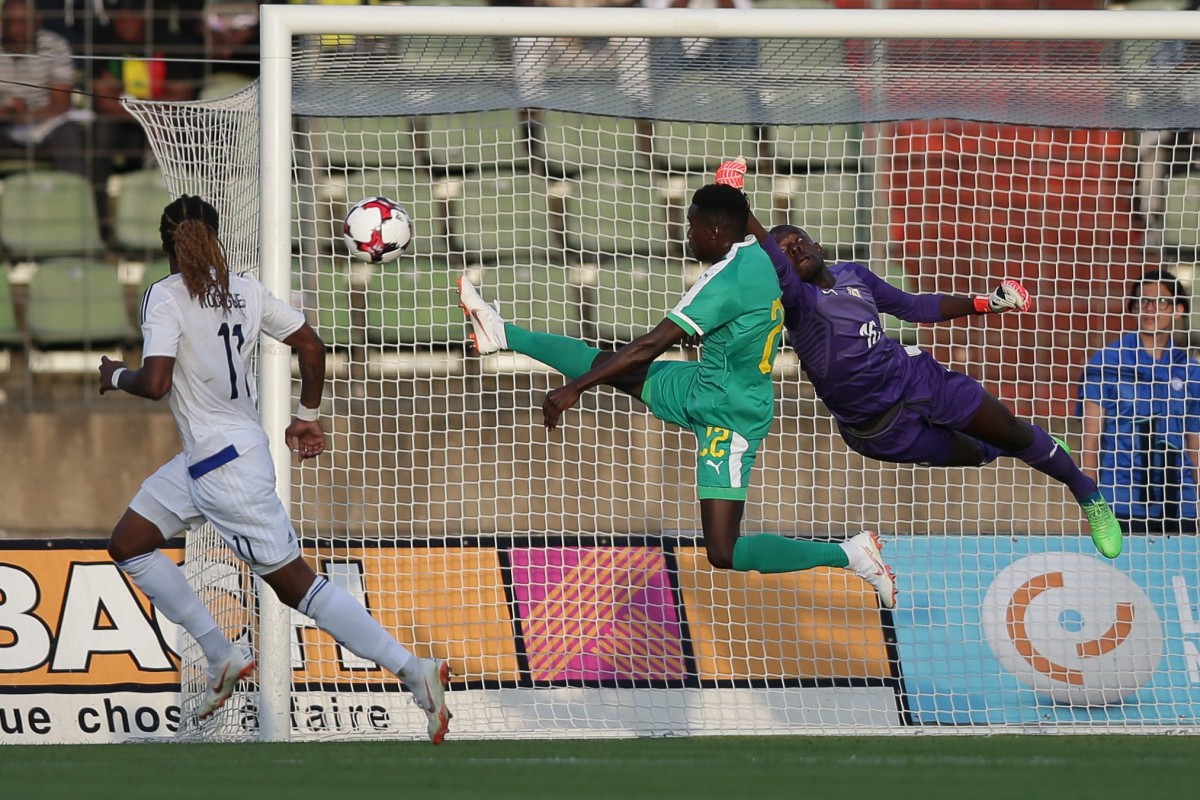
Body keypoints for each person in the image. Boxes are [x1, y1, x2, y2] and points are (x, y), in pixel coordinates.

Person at [98, 195, 452, 743]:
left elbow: (156, 383)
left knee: (297, 587)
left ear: (164, 241)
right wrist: (305, 416)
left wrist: (116, 374)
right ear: (215, 236)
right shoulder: (244, 287)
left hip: (225, 471)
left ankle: (413, 671)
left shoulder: (164, 296)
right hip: (212, 457)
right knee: (129, 541)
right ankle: (221, 654)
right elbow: (310, 344)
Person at [458, 182, 898, 609]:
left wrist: (573, 390)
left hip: (731, 417)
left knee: (723, 551)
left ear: (712, 232)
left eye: (691, 227)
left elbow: (651, 344)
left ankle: (851, 554)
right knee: (603, 362)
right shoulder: (760, 253)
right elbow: (748, 222)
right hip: (702, 384)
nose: (686, 236)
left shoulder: (727, 283)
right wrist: (730, 187)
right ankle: (500, 332)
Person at [713, 157, 1124, 559]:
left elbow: (914, 306)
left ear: (818, 246)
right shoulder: (798, 301)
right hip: (877, 428)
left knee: (1013, 432)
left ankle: (1087, 494)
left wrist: (984, 303)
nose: (794, 248)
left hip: (919, 379)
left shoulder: (856, 275)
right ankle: (1036, 447)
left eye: (799, 240)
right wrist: (735, 201)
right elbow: (762, 246)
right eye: (784, 249)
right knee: (978, 453)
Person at [1078, 269, 1200, 535]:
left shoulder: (1191, 371)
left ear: (1178, 310)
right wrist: (1091, 512)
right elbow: (1090, 443)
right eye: (1142, 301)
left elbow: (1196, 448)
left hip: (1182, 507)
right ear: (1133, 309)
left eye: (1161, 302)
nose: (1150, 308)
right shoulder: (1106, 362)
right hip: (1119, 504)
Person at [0, 0, 86, 175]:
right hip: (3, 124)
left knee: (68, 135)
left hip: (46, 124)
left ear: (37, 21)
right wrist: (7, 112)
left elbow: (62, 103)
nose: (19, 30)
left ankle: (74, 197)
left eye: (25, 22)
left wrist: (29, 115)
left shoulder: (56, 46)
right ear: (2, 22)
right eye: (13, 22)